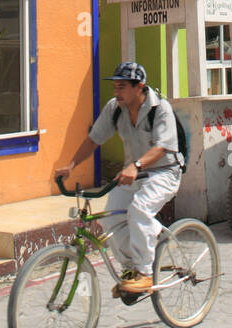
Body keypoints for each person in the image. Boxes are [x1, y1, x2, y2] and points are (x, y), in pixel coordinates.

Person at [55, 61, 183, 294]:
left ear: (139, 87)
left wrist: (135, 165)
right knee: (111, 219)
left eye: (122, 86)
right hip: (132, 175)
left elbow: (163, 147)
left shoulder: (160, 108)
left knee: (139, 210)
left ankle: (144, 273)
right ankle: (130, 269)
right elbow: (94, 139)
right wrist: (71, 166)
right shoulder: (115, 108)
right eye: (115, 86)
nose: (116, 91)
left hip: (164, 172)